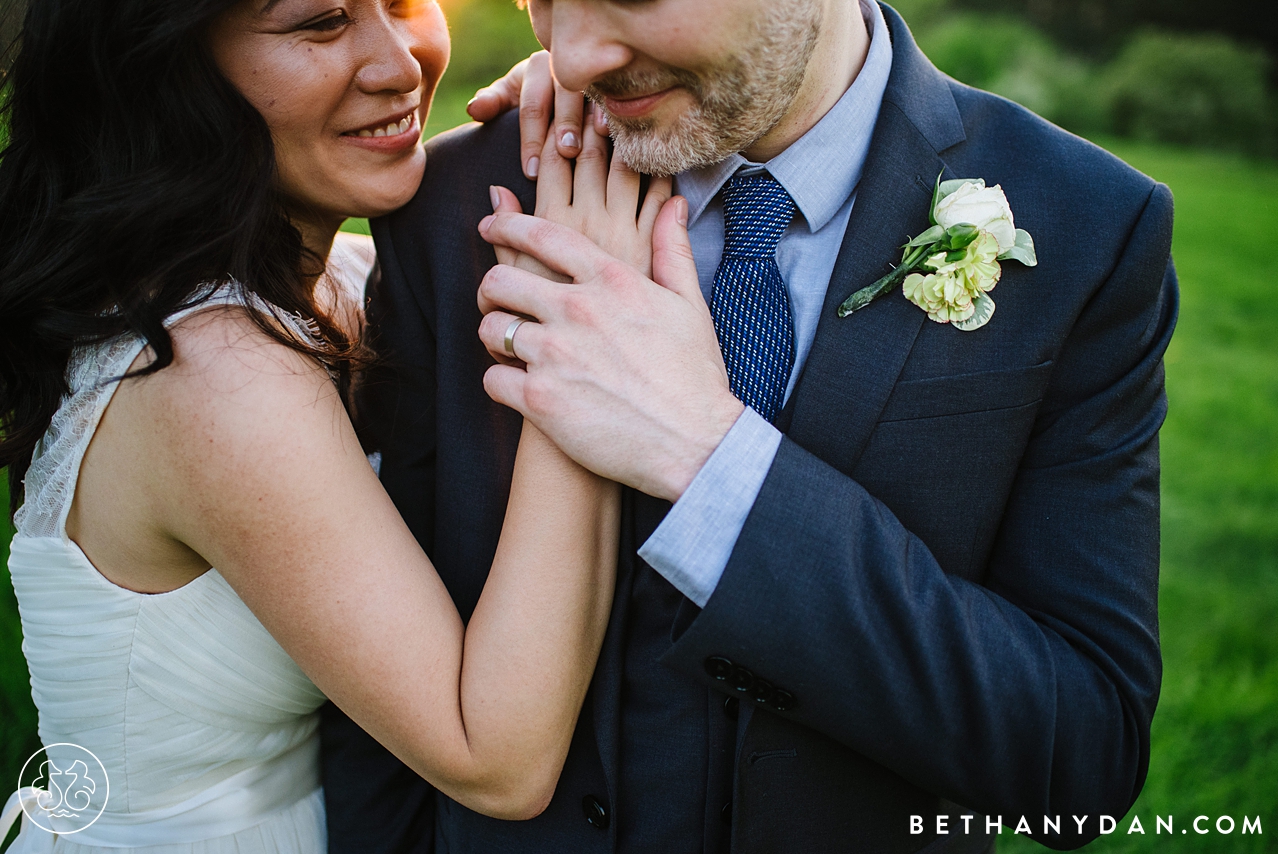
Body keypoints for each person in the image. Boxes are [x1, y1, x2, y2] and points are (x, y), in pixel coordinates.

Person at [331, 0, 1178, 851]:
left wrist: (710, 461)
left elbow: (1082, 759)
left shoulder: (1087, 227)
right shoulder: (457, 203)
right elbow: (379, 718)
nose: (573, 57)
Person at [0, 0, 657, 850]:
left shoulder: (332, 282)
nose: (399, 63)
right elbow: (498, 760)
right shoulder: (210, 374)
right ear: (169, 68)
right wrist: (578, 355)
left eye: (405, 4)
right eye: (320, 22)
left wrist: (582, 97)